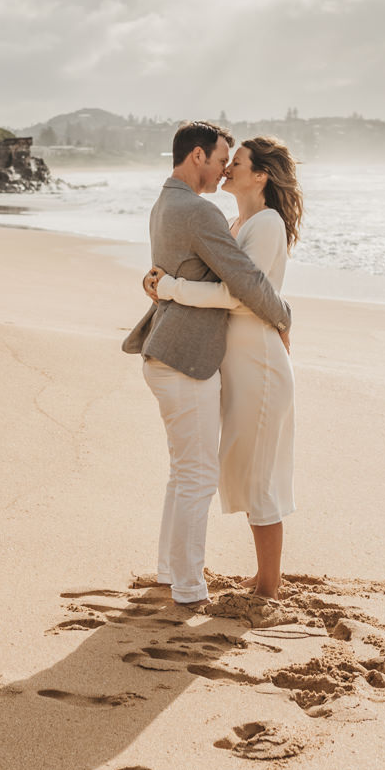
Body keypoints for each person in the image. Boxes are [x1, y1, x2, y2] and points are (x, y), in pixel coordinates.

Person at [123, 122, 293, 608]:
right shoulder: (200, 213)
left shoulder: (165, 204)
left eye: (232, 163)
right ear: (198, 157)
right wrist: (284, 314)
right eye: (223, 160)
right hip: (185, 357)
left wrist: (167, 287)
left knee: (185, 473)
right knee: (197, 476)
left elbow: (242, 283)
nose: (224, 171)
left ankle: (170, 573)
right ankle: (189, 589)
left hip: (175, 353)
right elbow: (246, 284)